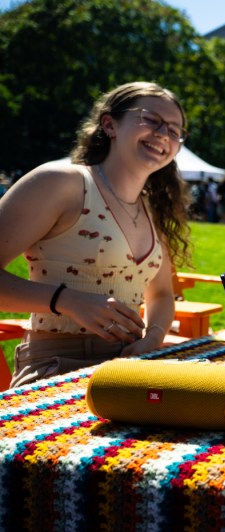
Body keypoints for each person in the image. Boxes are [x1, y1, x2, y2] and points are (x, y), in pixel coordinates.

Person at [0, 81, 192, 388]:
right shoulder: (62, 182)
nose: (163, 134)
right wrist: (68, 301)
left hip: (128, 369)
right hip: (57, 367)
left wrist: (153, 337)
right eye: (151, 120)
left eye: (173, 129)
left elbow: (161, 294)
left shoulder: (152, 208)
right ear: (109, 125)